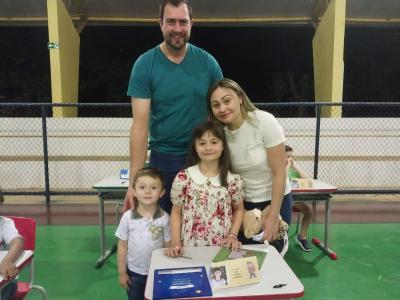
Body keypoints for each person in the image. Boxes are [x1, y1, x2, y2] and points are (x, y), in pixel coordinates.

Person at [124, 0, 223, 214]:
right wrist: (135, 182)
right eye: (171, 22)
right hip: (163, 159)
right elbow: (140, 128)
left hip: (203, 158)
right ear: (160, 24)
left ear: (191, 24)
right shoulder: (144, 65)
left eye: (183, 22)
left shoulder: (208, 63)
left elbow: (222, 118)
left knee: (202, 228)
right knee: (163, 233)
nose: (177, 29)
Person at [207, 78, 292, 253]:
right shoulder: (219, 134)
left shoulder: (264, 121)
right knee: (245, 263)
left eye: (227, 101)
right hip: (243, 205)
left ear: (239, 98)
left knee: (271, 260)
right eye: (216, 105)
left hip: (274, 202)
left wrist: (274, 216)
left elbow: (279, 173)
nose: (222, 108)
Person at [166, 121, 244, 257]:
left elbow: (239, 209)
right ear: (195, 147)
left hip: (222, 249)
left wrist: (232, 236)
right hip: (188, 249)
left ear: (223, 146)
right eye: (202, 143)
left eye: (214, 142)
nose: (208, 147)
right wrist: (175, 241)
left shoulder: (233, 180)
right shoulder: (184, 178)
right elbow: (176, 213)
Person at [116, 168, 171, 300]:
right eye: (142, 187)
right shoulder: (127, 217)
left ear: (162, 192)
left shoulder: (164, 218)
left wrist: (168, 271)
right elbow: (122, 246)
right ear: (134, 191)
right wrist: (122, 272)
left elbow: (168, 246)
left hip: (158, 272)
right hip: (134, 274)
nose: (147, 191)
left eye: (153, 187)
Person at [285, 144, 313, 252]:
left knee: (308, 211)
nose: (290, 159)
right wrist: (287, 166)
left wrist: (295, 166)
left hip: (294, 199)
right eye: (287, 156)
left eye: (291, 156)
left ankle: (302, 237)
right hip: (280, 200)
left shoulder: (293, 168)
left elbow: (306, 179)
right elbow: (282, 179)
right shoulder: (278, 167)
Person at [0, 216, 24, 300]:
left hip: (4, 279)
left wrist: (8, 261)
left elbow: (18, 242)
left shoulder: (4, 223)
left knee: (9, 281)